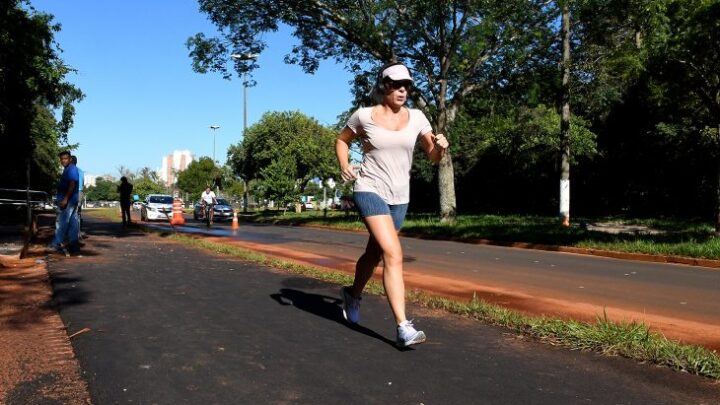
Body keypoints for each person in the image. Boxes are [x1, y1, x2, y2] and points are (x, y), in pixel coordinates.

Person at [335, 62, 449, 347]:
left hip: (400, 196)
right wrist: (345, 164)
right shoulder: (364, 116)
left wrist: (441, 148)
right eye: (396, 85)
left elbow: (433, 156)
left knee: (374, 253)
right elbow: (342, 140)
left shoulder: (418, 117)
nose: (402, 90)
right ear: (383, 85)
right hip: (369, 188)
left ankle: (353, 294)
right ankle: (403, 327)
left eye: (407, 85)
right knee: (393, 253)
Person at [49, 151, 81, 253]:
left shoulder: (71, 169)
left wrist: (65, 199)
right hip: (71, 200)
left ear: (70, 159)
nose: (63, 161)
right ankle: (74, 246)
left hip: (68, 201)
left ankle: (56, 244)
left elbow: (72, 184)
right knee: (73, 224)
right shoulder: (68, 169)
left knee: (62, 222)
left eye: (66, 158)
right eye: (62, 159)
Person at [71, 155, 84, 238]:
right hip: (80, 192)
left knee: (71, 212)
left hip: (73, 191)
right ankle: (78, 232)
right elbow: (82, 183)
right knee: (78, 213)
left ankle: (73, 233)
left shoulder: (70, 170)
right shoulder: (81, 171)